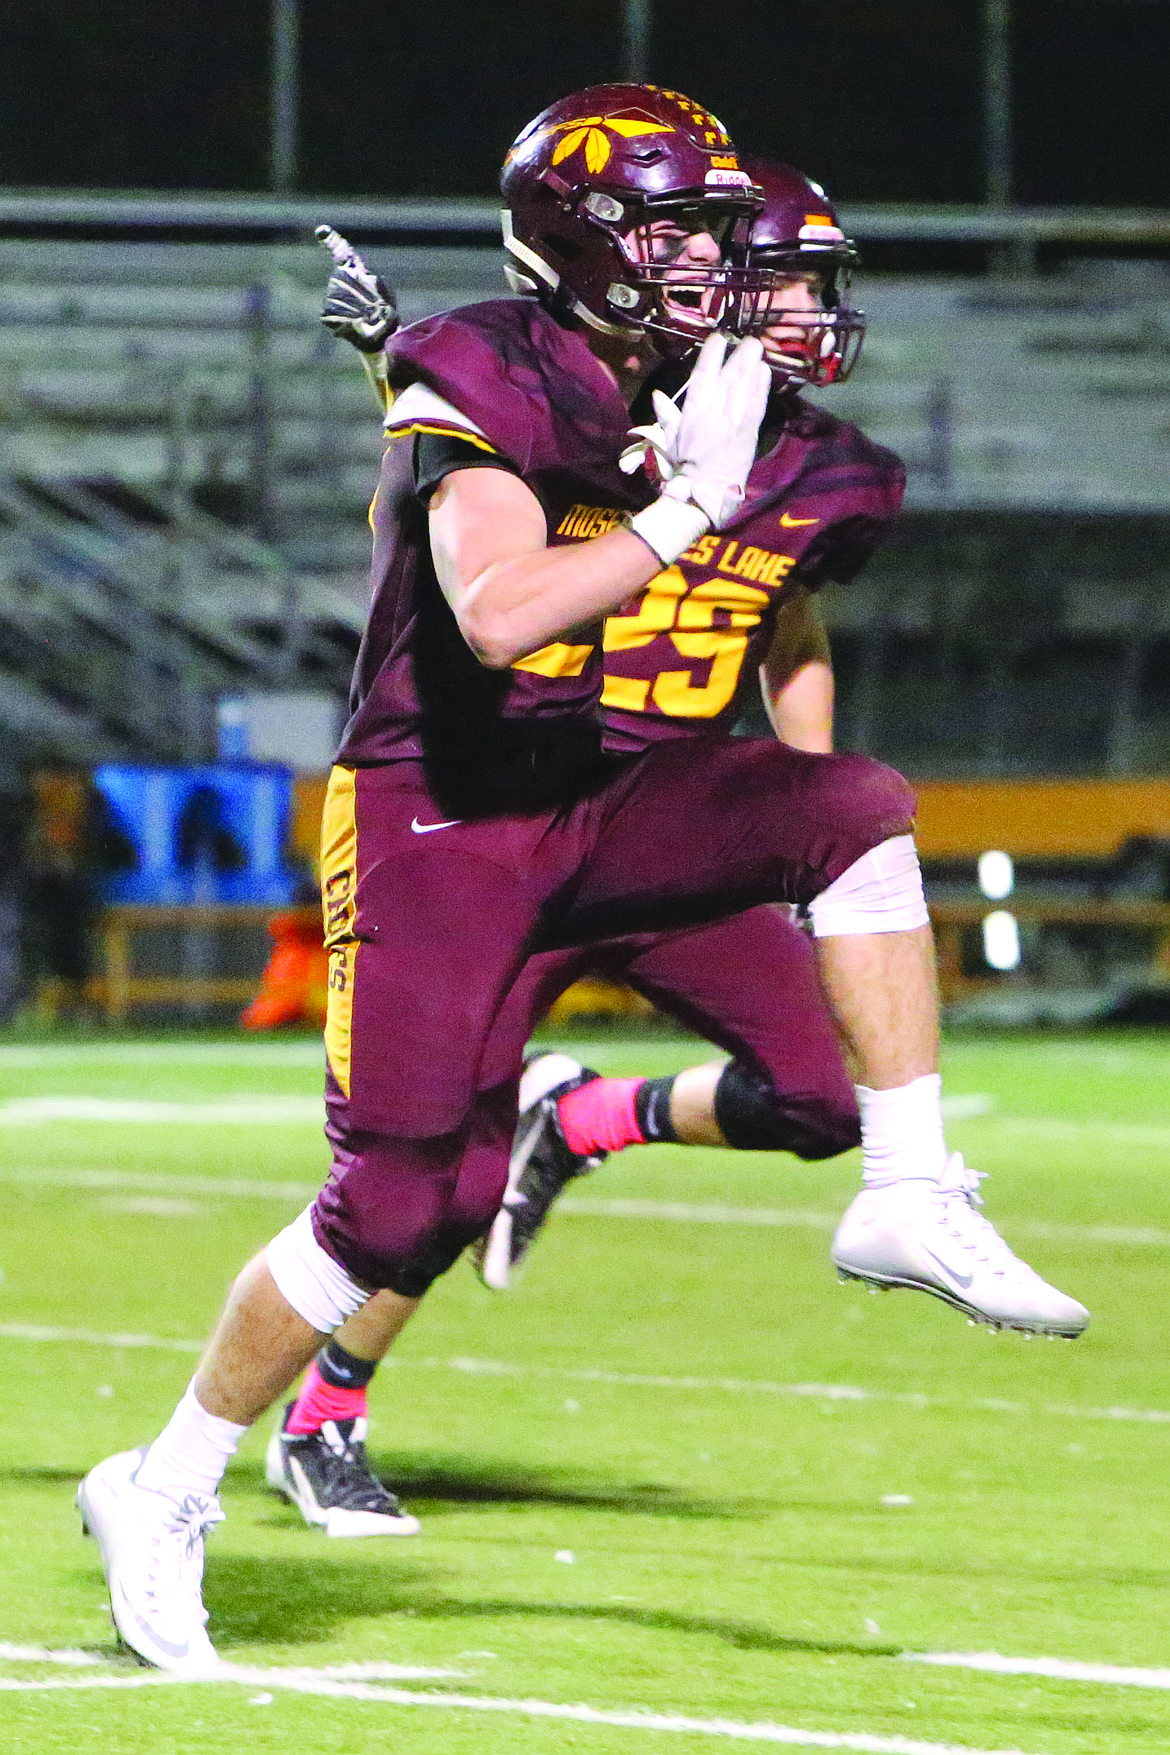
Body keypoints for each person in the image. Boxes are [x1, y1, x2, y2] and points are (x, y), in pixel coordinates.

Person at [77, 87, 1087, 1672]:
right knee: (399, 1198)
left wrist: (729, 424)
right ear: (588, 242)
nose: (714, 264)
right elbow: (489, 613)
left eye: (714, 234)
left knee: (853, 806)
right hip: (443, 813)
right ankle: (164, 1479)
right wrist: (680, 497)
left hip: (602, 788)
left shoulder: (709, 382)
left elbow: (767, 457)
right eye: (678, 230)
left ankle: (911, 1188)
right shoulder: (483, 359)